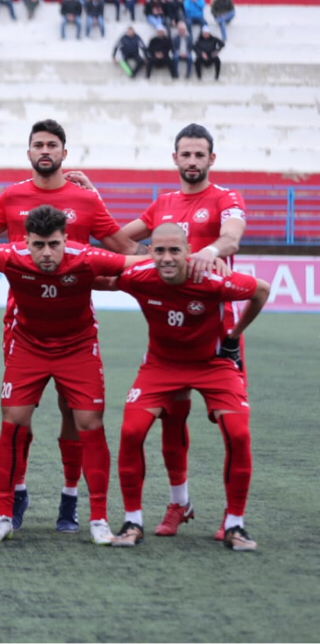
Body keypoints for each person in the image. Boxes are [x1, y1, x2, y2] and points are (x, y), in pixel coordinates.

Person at [0, 120, 142, 534]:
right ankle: (16, 496)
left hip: (74, 318)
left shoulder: (86, 200)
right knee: (18, 416)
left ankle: (70, 498)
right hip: (20, 320)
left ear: (64, 152)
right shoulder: (11, 196)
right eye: (38, 144)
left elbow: (126, 252)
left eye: (52, 144)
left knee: (75, 413)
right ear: (28, 152)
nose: (45, 150)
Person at [0, 205, 148, 544]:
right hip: (28, 348)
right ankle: (4, 515)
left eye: (54, 244)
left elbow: (137, 263)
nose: (47, 253)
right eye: (39, 245)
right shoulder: (10, 255)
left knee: (89, 424)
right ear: (26, 242)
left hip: (78, 348)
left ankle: (98, 519)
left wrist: (195, 259)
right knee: (14, 421)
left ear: (66, 239)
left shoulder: (87, 257)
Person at [107, 222, 269, 552]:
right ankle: (132, 521)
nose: (167, 258)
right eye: (160, 251)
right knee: (131, 431)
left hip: (213, 364)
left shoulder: (210, 279)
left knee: (238, 433)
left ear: (188, 252)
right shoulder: (139, 277)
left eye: (175, 251)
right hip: (161, 365)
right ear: (149, 252)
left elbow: (261, 290)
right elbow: (96, 276)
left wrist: (234, 336)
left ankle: (236, 524)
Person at [120, 123, 248, 539]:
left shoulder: (226, 198)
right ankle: (180, 503)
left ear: (212, 159)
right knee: (171, 423)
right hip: (171, 337)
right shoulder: (164, 203)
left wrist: (209, 252)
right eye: (185, 154)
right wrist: (151, 260)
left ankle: (233, 521)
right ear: (174, 158)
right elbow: (120, 239)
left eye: (200, 155)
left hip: (217, 336)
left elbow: (231, 237)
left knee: (234, 430)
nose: (192, 161)